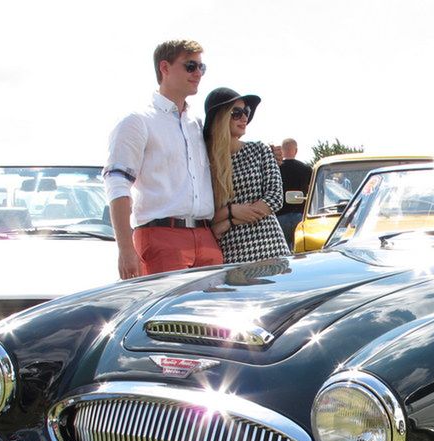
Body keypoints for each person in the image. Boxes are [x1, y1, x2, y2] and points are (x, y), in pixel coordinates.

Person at [104, 40, 222, 279]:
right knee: (170, 317)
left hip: (206, 236)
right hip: (160, 236)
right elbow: (117, 183)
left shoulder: (197, 125)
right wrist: (125, 248)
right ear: (164, 68)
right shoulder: (137, 121)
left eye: (202, 67)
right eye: (190, 66)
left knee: (210, 316)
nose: (198, 73)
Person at [203, 87, 289, 263]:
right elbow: (205, 215)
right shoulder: (205, 160)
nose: (244, 117)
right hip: (232, 252)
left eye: (246, 112)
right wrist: (232, 210)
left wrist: (230, 221)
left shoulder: (259, 150)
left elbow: (275, 197)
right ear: (220, 117)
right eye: (236, 112)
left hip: (271, 245)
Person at [276, 138, 312, 247]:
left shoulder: (276, 168)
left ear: (281, 151)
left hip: (280, 216)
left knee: (283, 250)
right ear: (296, 151)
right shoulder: (306, 169)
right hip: (300, 215)